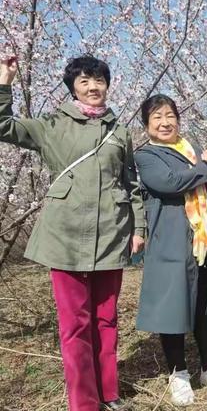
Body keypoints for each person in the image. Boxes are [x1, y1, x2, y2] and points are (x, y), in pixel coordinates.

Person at [0, 55, 145, 411]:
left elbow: (133, 184)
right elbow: (3, 125)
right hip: (64, 236)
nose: (93, 87)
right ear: (73, 87)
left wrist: (139, 227)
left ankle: (108, 393)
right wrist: (6, 80)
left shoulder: (120, 132)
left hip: (112, 234)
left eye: (99, 81)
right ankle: (84, 401)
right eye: (85, 81)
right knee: (75, 323)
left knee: (107, 318)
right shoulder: (51, 125)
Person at [134, 94, 207, 407]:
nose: (165, 123)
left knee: (206, 306)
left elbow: (202, 190)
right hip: (171, 242)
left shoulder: (188, 148)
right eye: (157, 118)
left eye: (170, 115)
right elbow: (170, 182)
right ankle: (178, 376)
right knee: (172, 309)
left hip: (201, 239)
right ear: (147, 125)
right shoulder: (146, 155)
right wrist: (203, 166)